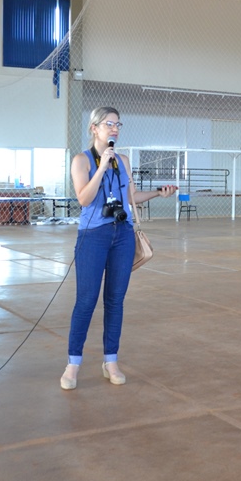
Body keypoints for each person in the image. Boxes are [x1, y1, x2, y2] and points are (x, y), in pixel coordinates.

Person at [60, 107, 176, 390]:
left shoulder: (123, 160)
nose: (114, 129)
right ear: (94, 128)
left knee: (115, 300)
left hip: (122, 235)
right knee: (86, 300)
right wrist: (101, 167)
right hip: (93, 236)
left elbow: (131, 196)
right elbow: (84, 199)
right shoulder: (81, 160)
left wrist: (158, 193)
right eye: (109, 124)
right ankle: (73, 364)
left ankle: (110, 360)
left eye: (118, 124)